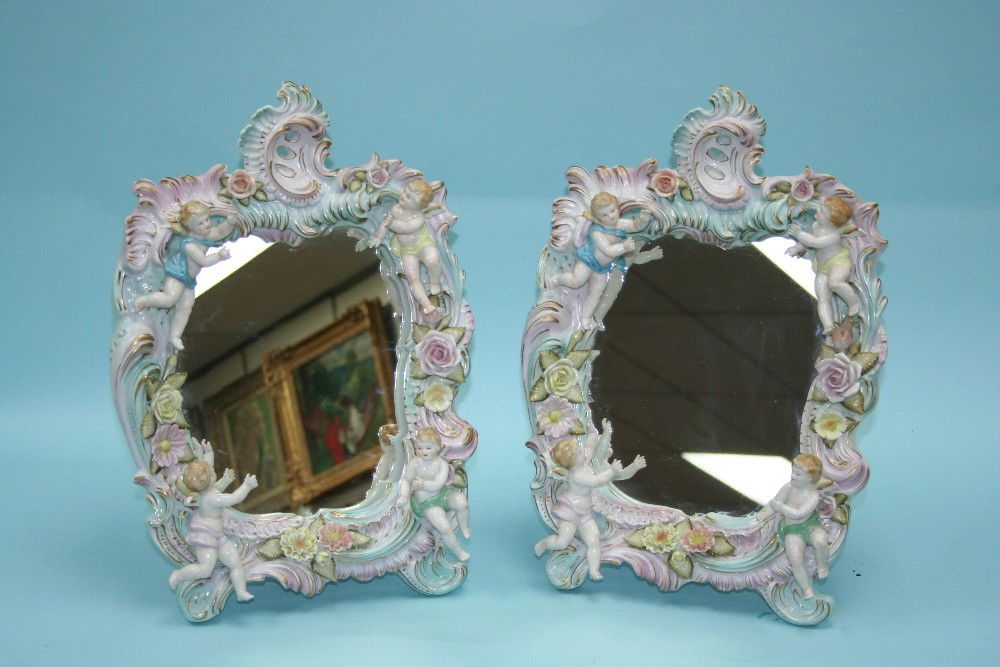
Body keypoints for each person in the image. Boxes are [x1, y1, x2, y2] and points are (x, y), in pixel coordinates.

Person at [534, 419, 646, 580]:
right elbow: (597, 481)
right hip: (570, 512)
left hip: (584, 514)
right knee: (562, 542)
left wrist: (592, 431)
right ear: (572, 463)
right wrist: (612, 471)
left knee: (593, 541)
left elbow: (590, 446)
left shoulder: (582, 462)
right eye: (580, 453)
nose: (584, 452)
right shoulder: (577, 475)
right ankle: (544, 543)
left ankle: (594, 570)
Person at [135, 201, 235, 349]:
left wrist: (230, 223)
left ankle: (175, 336)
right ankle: (143, 301)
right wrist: (219, 256)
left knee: (186, 307)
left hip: (189, 279)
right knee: (170, 299)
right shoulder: (189, 245)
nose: (207, 225)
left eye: (207, 220)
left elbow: (220, 232)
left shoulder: (206, 235)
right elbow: (204, 261)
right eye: (201, 223)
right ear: (191, 227)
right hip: (178, 274)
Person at [169, 439, 258, 601]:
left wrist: (209, 452)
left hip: (218, 537)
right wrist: (247, 486)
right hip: (205, 538)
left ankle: (241, 592)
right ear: (208, 480)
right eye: (211, 473)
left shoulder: (205, 489)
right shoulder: (212, 498)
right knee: (205, 569)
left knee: (235, 563)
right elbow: (235, 498)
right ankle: (178, 574)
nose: (212, 470)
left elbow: (206, 466)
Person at [555, 192, 658, 328]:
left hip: (602, 268)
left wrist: (643, 219)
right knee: (576, 281)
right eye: (605, 215)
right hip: (588, 262)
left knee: (596, 294)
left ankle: (585, 317)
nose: (610, 216)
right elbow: (608, 250)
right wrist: (624, 247)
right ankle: (558, 279)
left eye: (612, 210)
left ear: (617, 208)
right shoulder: (596, 231)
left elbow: (635, 226)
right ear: (598, 217)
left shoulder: (620, 223)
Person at [787, 196, 860, 334]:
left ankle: (854, 302)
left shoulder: (834, 235)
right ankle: (828, 325)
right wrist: (798, 248)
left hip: (838, 262)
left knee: (834, 282)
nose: (818, 212)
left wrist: (799, 234)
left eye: (822, 213)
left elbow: (814, 242)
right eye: (821, 209)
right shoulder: (816, 226)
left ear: (832, 222)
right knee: (822, 297)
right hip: (822, 266)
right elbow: (808, 242)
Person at [396, 427, 470, 561]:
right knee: (444, 527)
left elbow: (438, 484)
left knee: (461, 501)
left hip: (441, 495)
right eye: (419, 448)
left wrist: (423, 484)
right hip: (426, 504)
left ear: (438, 447)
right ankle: (459, 552)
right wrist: (404, 496)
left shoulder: (442, 464)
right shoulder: (414, 464)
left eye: (428, 448)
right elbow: (406, 480)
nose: (423, 451)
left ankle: (464, 527)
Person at [369, 179, 442, 315]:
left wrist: (392, 224)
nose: (403, 196)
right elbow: (385, 224)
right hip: (407, 250)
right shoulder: (396, 209)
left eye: (409, 197)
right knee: (413, 278)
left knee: (432, 260)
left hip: (422, 244)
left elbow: (406, 228)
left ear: (419, 205)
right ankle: (427, 305)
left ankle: (435, 282)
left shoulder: (419, 217)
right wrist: (378, 237)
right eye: (405, 192)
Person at [767, 453, 830, 599]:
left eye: (798, 474)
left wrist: (781, 507)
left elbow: (799, 514)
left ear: (810, 479)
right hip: (792, 530)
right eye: (793, 472)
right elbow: (773, 504)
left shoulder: (813, 496)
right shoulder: (788, 488)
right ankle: (806, 588)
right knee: (795, 558)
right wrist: (759, 517)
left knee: (821, 540)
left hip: (809, 526)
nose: (793, 476)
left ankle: (822, 565)